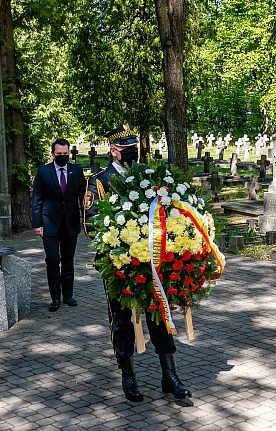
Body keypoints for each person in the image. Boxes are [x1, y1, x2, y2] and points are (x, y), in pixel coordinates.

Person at [83, 125, 192, 402]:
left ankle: (170, 376)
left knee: (159, 314)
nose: (131, 152)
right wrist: (122, 239)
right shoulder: (99, 181)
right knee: (121, 321)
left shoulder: (148, 177)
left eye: (133, 147)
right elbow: (90, 224)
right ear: (113, 150)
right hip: (118, 264)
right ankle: (128, 375)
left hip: (152, 260)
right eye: (125, 148)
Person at [32, 138, 86, 312]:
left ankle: (68, 295)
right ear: (53, 153)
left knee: (68, 260)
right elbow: (37, 199)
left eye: (65, 154)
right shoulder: (43, 171)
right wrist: (37, 223)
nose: (62, 156)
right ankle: (55, 297)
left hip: (71, 223)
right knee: (53, 260)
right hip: (49, 224)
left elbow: (83, 197)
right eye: (59, 154)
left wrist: (86, 219)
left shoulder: (76, 171)